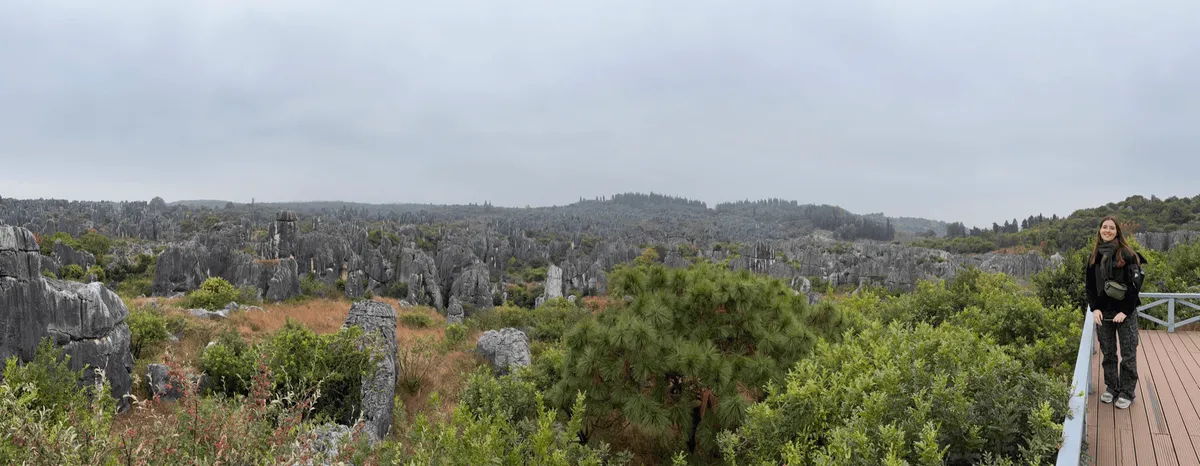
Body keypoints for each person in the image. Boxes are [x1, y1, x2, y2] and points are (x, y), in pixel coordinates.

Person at [1084, 215, 1145, 410]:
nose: (1107, 230)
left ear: (1117, 231)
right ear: (1100, 231)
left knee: (1128, 353)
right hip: (1104, 314)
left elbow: (1135, 286)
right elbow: (1090, 287)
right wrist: (1095, 309)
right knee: (1108, 353)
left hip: (1125, 314)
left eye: (1111, 228)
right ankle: (1112, 387)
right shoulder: (1094, 256)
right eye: (1104, 227)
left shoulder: (1127, 254)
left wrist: (1126, 311)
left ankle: (1127, 391)